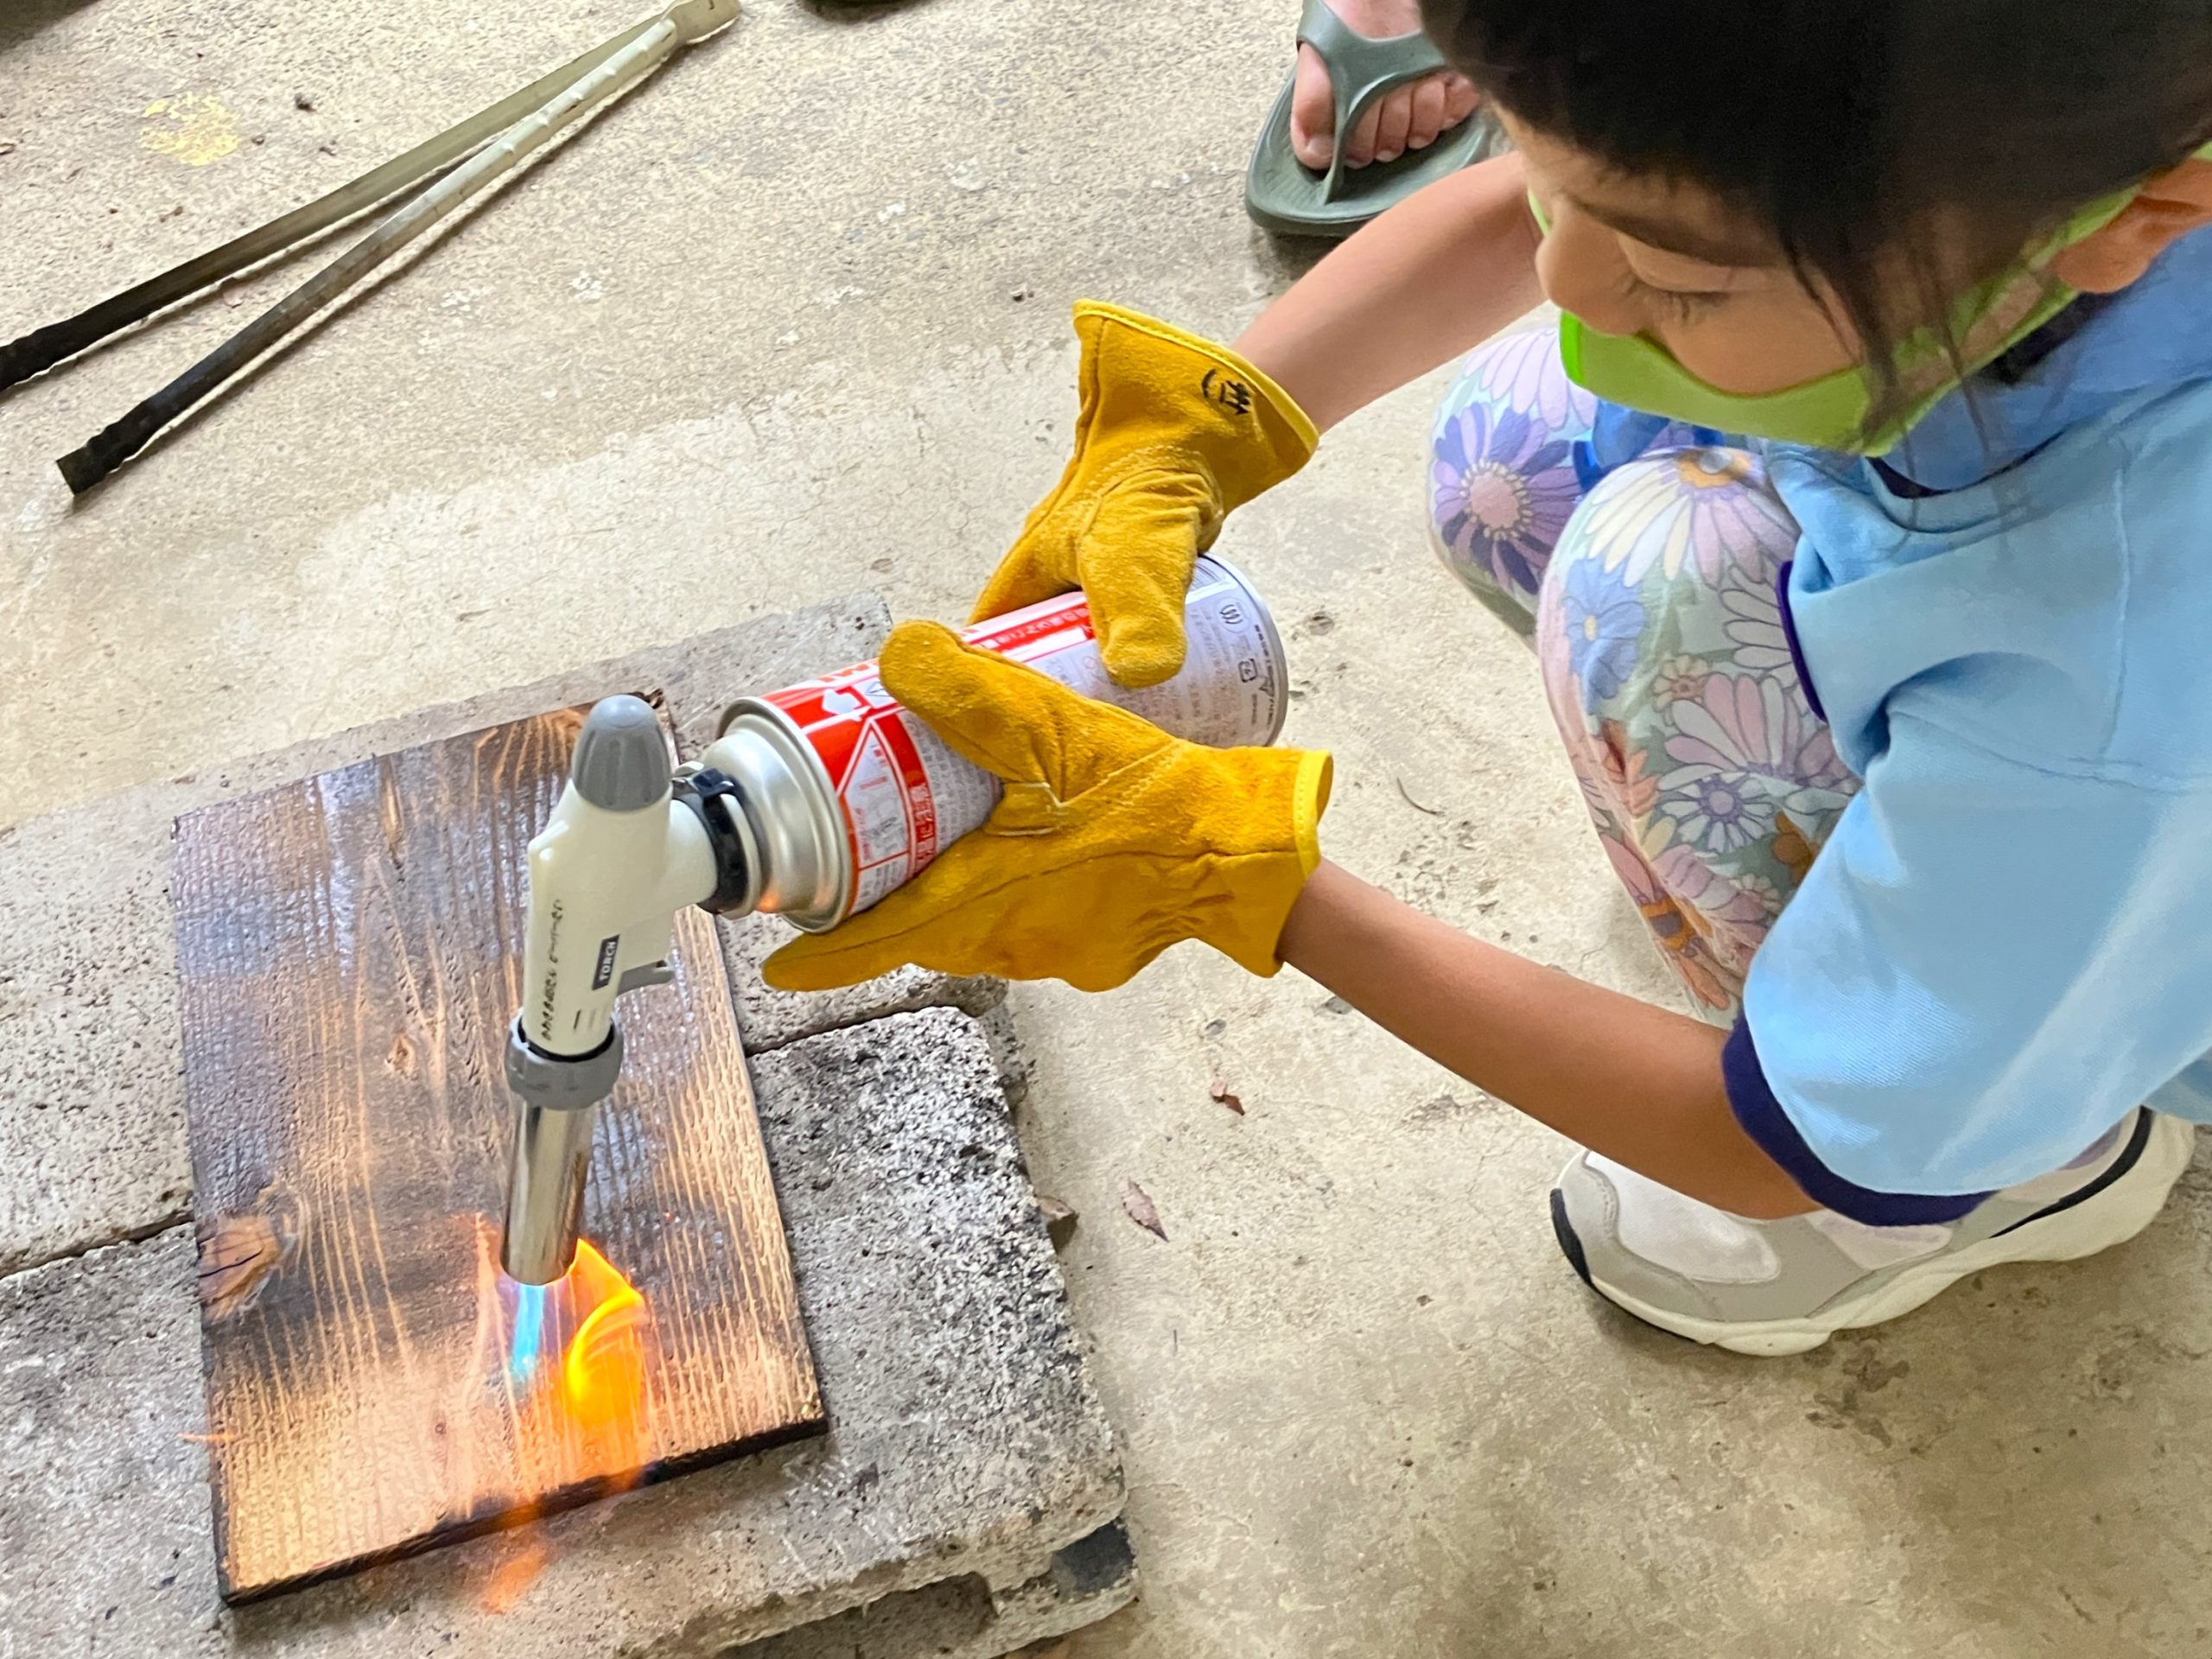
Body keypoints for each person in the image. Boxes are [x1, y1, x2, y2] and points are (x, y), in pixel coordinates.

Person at [768, 1, 2212, 1357]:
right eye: (1540, 165)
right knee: (1513, 461)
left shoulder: (2112, 681)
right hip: (1968, 455)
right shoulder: (2005, 170)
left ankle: (2036, 1150)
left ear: (2131, 223)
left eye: (1678, 276)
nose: (1563, 272)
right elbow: (1552, 216)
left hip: (2127, 842)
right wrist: (1203, 425)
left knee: (1648, 589)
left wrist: (1234, 878)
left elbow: (1763, 1149)